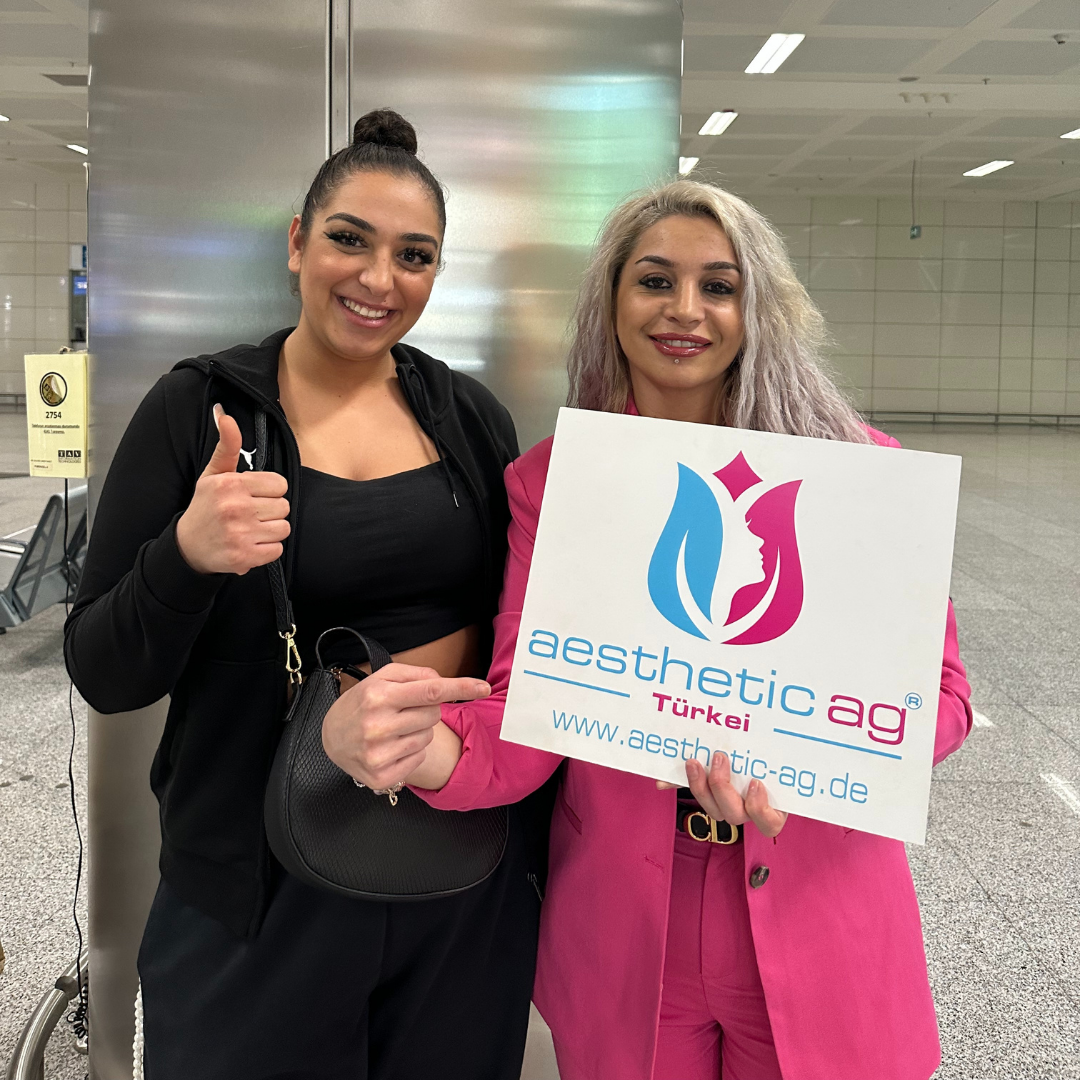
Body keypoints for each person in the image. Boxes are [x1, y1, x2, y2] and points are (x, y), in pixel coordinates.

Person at [325, 179, 973, 1080]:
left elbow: (940, 700)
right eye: (655, 280)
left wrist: (796, 758)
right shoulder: (558, 484)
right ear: (612, 301)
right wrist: (416, 747)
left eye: (720, 286)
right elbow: (534, 707)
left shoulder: (857, 475)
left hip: (817, 910)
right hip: (632, 927)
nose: (685, 310)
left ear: (757, 307)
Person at [65, 109, 542, 1080]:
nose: (378, 279)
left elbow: (525, 634)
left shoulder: (467, 416)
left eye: (414, 256)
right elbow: (103, 671)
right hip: (257, 888)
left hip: (454, 872)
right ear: (297, 243)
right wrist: (187, 556)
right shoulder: (200, 410)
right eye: (349, 240)